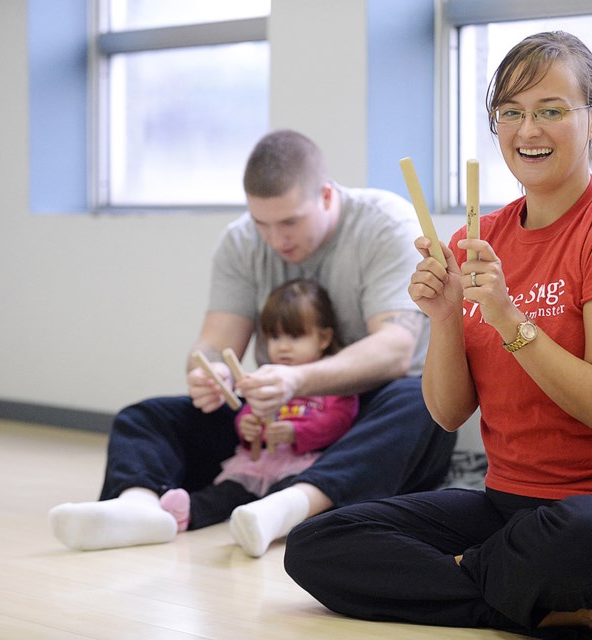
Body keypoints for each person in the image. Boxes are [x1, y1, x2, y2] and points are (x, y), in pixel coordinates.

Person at [284, 31, 592, 637]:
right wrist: (443, 318)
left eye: (550, 111)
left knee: (578, 537)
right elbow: (447, 412)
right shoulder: (475, 241)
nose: (527, 130)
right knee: (319, 542)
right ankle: (517, 597)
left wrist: (510, 320)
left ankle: (477, 580)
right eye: (510, 113)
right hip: (515, 508)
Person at [48, 129, 457, 556]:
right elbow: (211, 344)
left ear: (327, 196)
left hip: (365, 416)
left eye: (289, 222)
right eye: (262, 223)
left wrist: (296, 380)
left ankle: (290, 504)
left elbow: (395, 351)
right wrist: (208, 372)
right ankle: (138, 508)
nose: (276, 239)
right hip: (272, 419)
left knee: (419, 403)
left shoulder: (385, 224)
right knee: (145, 417)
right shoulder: (241, 240)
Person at [157, 278, 360, 557]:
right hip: (260, 461)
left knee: (289, 495)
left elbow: (340, 422)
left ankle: (264, 521)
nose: (283, 347)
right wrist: (247, 426)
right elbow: (249, 409)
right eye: (275, 337)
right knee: (229, 490)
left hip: (302, 464)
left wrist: (296, 433)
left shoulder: (332, 382)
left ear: (323, 338)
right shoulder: (266, 376)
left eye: (295, 336)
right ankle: (182, 513)